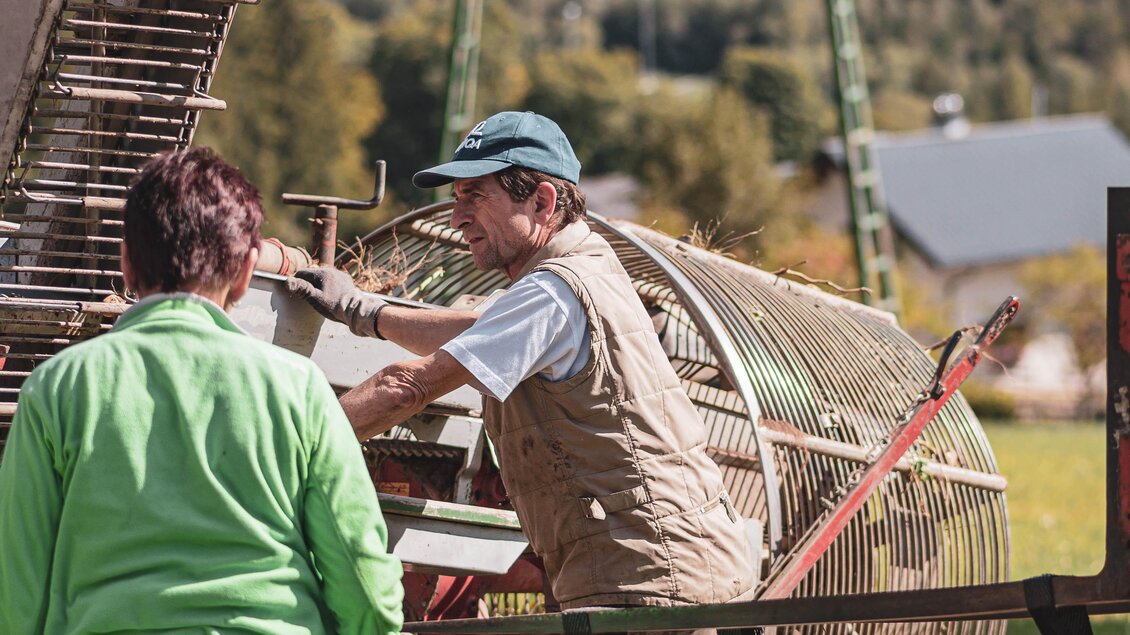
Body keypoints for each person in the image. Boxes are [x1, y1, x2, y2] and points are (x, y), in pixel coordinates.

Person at [288, 111, 754, 611]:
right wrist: (365, 310)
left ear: (542, 201)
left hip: (644, 577)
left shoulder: (553, 293)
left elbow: (408, 387)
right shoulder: (585, 267)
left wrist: (284, 456)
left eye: (476, 197)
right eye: (455, 199)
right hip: (678, 567)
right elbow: (472, 331)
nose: (456, 218)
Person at [0, 148, 404, 634]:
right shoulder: (299, 389)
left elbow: (17, 596)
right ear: (247, 270)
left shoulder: (57, 388)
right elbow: (366, 591)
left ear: (126, 262)